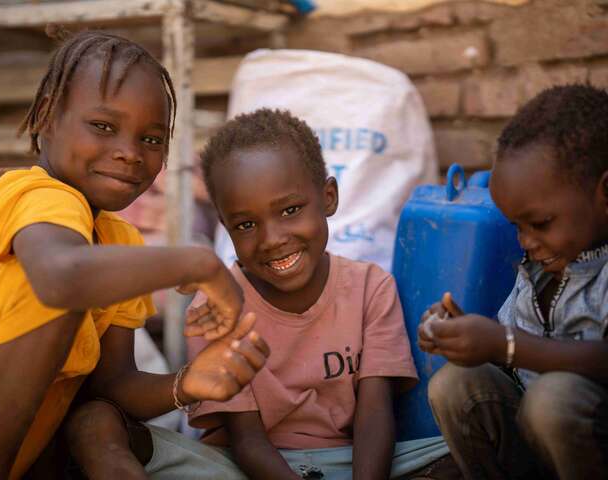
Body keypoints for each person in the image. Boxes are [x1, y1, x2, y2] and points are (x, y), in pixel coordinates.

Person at [0, 29, 270, 480]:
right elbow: (60, 278)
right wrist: (197, 261)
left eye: (151, 139)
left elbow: (114, 385)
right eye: (103, 127)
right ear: (46, 117)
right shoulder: (40, 195)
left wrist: (185, 383)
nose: (129, 153)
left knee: (96, 417)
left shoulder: (116, 240)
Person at [181, 108, 452, 480]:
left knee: (458, 454)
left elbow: (375, 413)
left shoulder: (371, 288)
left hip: (349, 460)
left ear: (328, 197)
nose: (272, 238)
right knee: (164, 456)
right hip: (248, 467)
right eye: (246, 224)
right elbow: (246, 440)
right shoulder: (215, 310)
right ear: (225, 227)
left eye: (290, 210)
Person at [419, 84, 608, 479]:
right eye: (517, 227)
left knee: (553, 400)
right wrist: (466, 338)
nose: (525, 242)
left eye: (539, 224)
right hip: (539, 448)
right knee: (454, 383)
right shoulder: (538, 270)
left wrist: (505, 345)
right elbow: (513, 363)